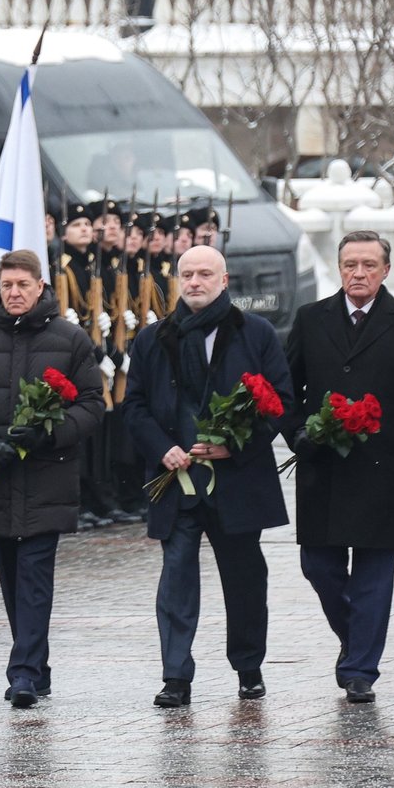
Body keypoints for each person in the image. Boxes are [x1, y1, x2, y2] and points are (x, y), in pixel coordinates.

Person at [125, 245, 291, 707]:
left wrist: (233, 444)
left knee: (244, 579)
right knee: (176, 577)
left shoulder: (255, 333)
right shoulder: (153, 338)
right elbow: (134, 405)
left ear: (224, 281)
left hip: (236, 480)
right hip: (176, 481)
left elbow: (280, 401)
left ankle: (248, 667)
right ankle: (176, 676)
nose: (194, 282)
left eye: (204, 274)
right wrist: (163, 448)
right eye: (187, 274)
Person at [0, 249, 105, 707]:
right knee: (10, 577)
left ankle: (24, 673)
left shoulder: (70, 339)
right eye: (6, 285)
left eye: (23, 285)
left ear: (40, 287)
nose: (14, 293)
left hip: (47, 475)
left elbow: (92, 403)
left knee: (35, 572)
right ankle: (37, 664)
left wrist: (49, 433)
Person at [284, 230, 394, 703]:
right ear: (338, 267)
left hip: (384, 472)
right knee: (318, 566)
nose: (359, 273)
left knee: (374, 575)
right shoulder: (311, 319)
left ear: (385, 270)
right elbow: (286, 391)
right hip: (323, 467)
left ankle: (359, 669)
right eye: (351, 264)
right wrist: (299, 434)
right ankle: (357, 637)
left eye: (369, 265)